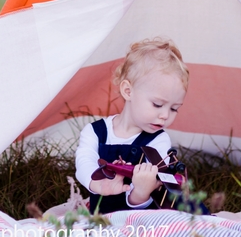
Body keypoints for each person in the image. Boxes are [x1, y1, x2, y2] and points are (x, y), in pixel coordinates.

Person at [75, 37, 188, 213]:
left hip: (141, 219)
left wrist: (142, 191)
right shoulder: (95, 132)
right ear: (128, 91)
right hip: (101, 217)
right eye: (157, 105)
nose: (165, 115)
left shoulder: (158, 140)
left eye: (174, 108)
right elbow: (84, 162)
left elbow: (151, 197)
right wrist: (97, 184)